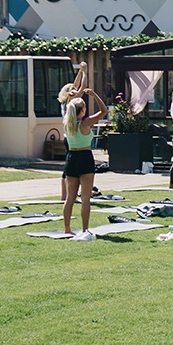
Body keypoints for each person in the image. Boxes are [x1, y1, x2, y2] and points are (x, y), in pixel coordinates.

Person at [61, 87, 107, 240]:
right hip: (85, 157)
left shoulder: (67, 123)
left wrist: (73, 98)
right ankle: (85, 229)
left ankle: (67, 228)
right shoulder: (85, 123)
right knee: (86, 198)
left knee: (70, 198)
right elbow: (104, 111)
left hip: (71, 158)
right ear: (82, 110)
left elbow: (70, 107)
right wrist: (94, 95)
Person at [57, 61, 88, 204]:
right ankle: (67, 195)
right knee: (69, 170)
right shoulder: (72, 102)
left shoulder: (66, 102)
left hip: (68, 136)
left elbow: (75, 86)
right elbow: (81, 87)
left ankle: (66, 195)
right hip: (73, 138)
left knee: (68, 168)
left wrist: (80, 72)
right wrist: (85, 72)